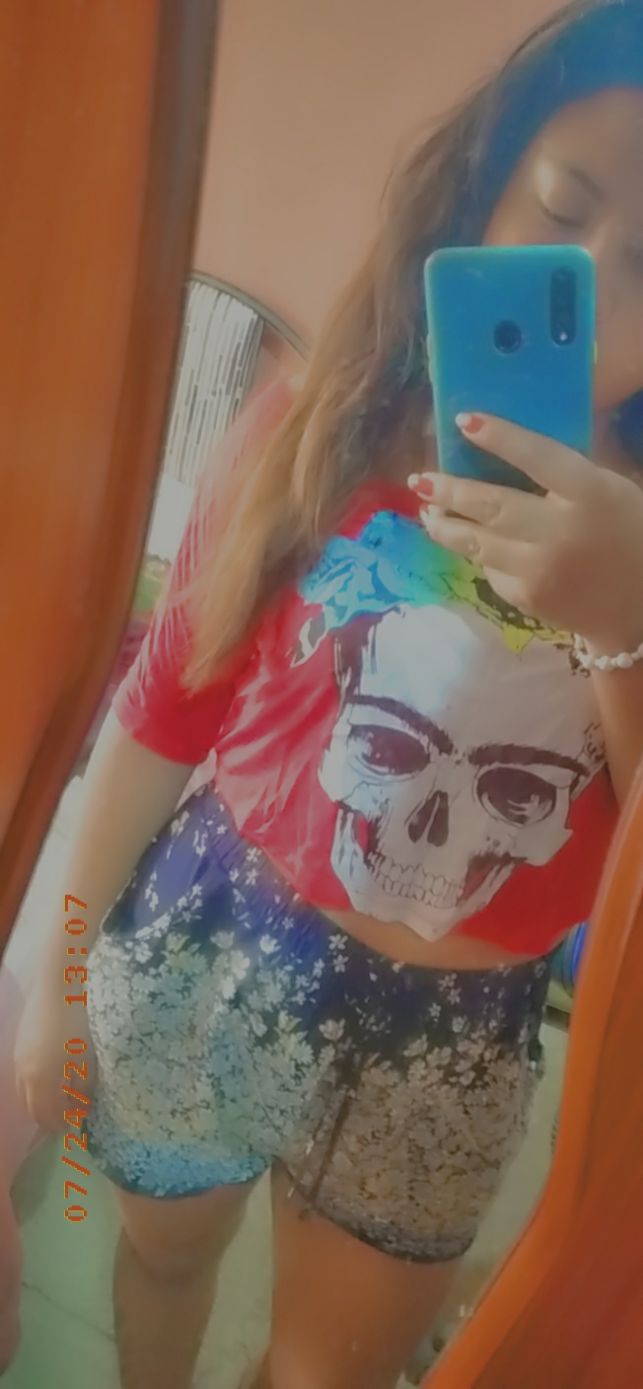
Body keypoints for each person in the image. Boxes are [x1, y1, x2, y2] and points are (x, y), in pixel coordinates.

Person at [15, 2, 643, 1386]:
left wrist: (626, 619)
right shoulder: (324, 417)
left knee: (329, 1375)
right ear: (487, 187)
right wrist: (50, 981)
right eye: (561, 209)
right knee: (161, 1256)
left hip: (450, 1044)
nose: (590, 284)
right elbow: (162, 710)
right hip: (209, 939)